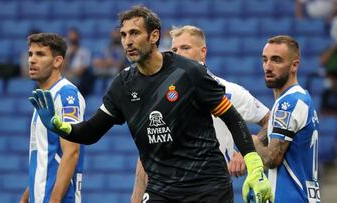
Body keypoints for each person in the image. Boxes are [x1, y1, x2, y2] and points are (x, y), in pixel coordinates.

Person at [29, 6, 272, 203]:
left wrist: (254, 166)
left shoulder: (189, 73)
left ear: (154, 36)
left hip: (207, 188)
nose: (127, 42)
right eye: (123, 35)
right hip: (161, 191)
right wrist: (60, 126)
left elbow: (231, 116)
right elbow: (92, 131)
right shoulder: (122, 85)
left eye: (134, 33)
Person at [130, 25, 271, 203]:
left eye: (185, 48)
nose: (178, 54)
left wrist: (248, 150)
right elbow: (148, 149)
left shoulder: (230, 92)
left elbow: (270, 120)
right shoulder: (160, 96)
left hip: (210, 189)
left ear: (203, 52)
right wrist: (136, 195)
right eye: (174, 49)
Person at [253, 35, 321, 202]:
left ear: (294, 65)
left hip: (291, 197)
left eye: (276, 60)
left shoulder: (288, 103)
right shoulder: (302, 98)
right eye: (265, 59)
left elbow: (271, 158)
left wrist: (251, 141)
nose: (268, 67)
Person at [19, 33, 85, 203]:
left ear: (57, 61)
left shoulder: (66, 95)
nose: (32, 60)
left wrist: (54, 200)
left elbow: (71, 152)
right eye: (30, 54)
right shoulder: (44, 98)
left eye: (40, 54)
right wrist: (26, 197)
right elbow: (44, 157)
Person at [64, 27, 93, 96]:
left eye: (74, 39)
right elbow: (62, 67)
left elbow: (82, 70)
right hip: (66, 75)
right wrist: (69, 55)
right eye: (71, 39)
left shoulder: (85, 51)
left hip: (79, 78)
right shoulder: (65, 52)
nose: (72, 41)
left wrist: (70, 73)